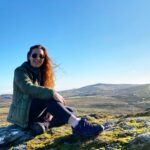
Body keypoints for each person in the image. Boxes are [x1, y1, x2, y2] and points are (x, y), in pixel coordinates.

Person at [7, 45, 108, 137]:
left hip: (36, 113)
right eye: (34, 55)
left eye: (41, 56)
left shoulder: (40, 73)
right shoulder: (20, 71)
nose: (38, 58)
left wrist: (50, 111)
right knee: (51, 99)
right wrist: (52, 93)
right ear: (29, 56)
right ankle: (78, 126)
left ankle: (42, 125)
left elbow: (43, 95)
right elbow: (27, 87)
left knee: (71, 111)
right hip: (23, 115)